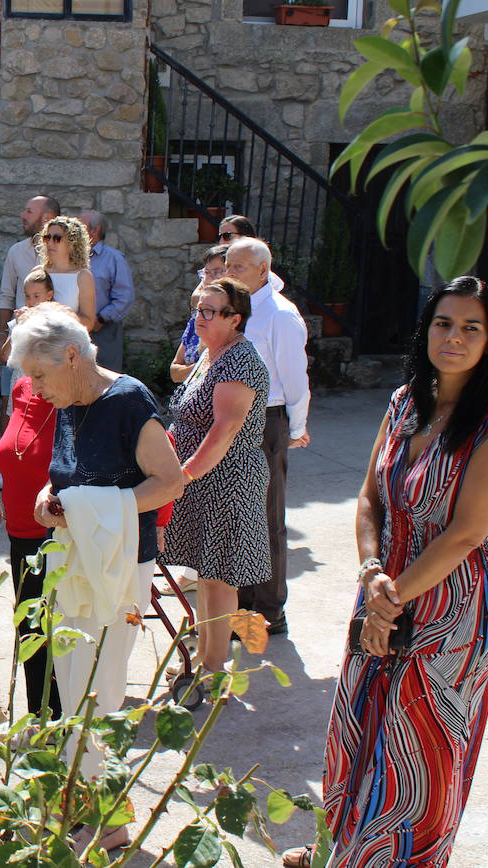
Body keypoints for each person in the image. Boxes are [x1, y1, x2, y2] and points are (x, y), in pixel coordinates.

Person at [282, 277, 488, 868]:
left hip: (452, 615)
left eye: (471, 327)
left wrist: (390, 597)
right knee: (358, 728)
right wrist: (372, 572)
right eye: (443, 324)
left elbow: (466, 533)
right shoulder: (405, 400)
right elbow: (369, 498)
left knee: (418, 753)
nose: (453, 338)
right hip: (383, 590)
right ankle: (345, 848)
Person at [18, 304, 183, 798]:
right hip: (73, 558)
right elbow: (67, 471)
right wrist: (49, 498)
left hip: (120, 563)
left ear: (72, 355)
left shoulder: (129, 400)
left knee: (100, 688)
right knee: (70, 682)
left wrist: (95, 509)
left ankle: (102, 806)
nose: (37, 389)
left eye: (40, 375)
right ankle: (77, 793)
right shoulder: (68, 398)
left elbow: (170, 482)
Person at [161, 278, 270, 673]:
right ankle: (207, 659)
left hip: (227, 481)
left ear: (235, 318)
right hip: (202, 480)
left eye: (209, 311)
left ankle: (212, 669)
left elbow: (223, 431)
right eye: (197, 309)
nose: (199, 317)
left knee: (221, 579)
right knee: (206, 576)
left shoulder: (238, 361)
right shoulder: (210, 354)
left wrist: (182, 476)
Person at [225, 238, 309, 636]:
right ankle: (241, 601)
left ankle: (270, 609)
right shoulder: (237, 311)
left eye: (238, 266)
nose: (230, 272)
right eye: (227, 264)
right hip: (233, 417)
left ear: (262, 270)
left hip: (266, 418)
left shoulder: (280, 315)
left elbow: (295, 378)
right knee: (239, 514)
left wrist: (296, 427)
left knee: (267, 515)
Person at [0, 269, 60, 717]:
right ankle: (39, 714)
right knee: (28, 623)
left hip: (54, 529)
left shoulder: (68, 397)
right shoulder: (21, 389)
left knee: (50, 624)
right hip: (19, 525)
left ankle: (57, 713)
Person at [0, 195, 60, 366]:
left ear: (47, 218)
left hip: (49, 340)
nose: (23, 216)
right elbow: (6, 295)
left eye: (29, 212)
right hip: (17, 336)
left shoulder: (61, 256)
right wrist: (2, 335)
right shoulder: (15, 251)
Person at [78, 211, 135, 372]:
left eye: (79, 227)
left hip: (102, 332)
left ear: (94, 231)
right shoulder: (70, 257)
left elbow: (125, 297)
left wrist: (100, 319)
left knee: (104, 381)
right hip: (74, 332)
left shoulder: (114, 259)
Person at [170, 246, 228, 383]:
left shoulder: (232, 322)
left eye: (217, 272)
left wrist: (190, 371)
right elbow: (174, 373)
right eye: (207, 272)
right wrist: (201, 369)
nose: (209, 278)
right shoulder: (196, 319)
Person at [36, 216, 96, 330]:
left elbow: (89, 322)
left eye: (57, 238)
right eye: (47, 237)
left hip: (68, 342)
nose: (50, 242)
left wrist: (62, 314)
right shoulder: (38, 272)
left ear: (72, 243)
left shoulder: (83, 276)